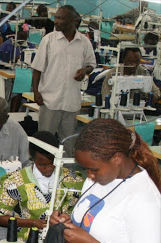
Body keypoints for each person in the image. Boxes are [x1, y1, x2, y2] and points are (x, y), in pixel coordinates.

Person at [0, 131, 84, 240]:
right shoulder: (17, 181)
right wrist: (32, 223)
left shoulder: (73, 180)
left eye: (52, 164)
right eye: (42, 165)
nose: (48, 169)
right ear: (31, 155)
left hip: (64, 241)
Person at [31, 5, 96, 143]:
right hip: (49, 100)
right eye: (56, 18)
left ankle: (66, 166)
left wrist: (84, 71)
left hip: (71, 102)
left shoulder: (84, 42)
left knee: (68, 144)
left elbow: (91, 64)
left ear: (73, 20)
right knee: (44, 143)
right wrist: (36, 92)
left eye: (61, 18)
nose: (56, 21)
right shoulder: (48, 40)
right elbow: (37, 69)